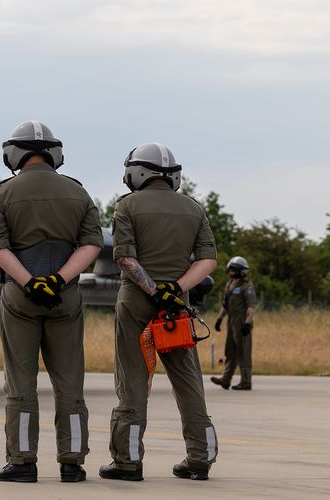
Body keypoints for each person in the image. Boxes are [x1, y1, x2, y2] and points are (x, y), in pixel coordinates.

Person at [0, 121, 103, 483]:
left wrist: (30, 282)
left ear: (14, 154)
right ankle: (72, 462)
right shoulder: (78, 194)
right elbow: (92, 245)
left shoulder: (2, 195)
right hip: (65, 298)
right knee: (69, 383)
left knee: (21, 383)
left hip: (20, 297)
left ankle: (22, 462)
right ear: (54, 153)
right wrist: (58, 280)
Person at [100, 143, 219, 482]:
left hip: (137, 302)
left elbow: (124, 258)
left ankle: (127, 461)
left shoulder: (127, 206)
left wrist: (153, 290)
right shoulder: (193, 208)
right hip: (177, 307)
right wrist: (175, 290)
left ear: (137, 173)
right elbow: (208, 260)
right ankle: (200, 458)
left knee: (132, 379)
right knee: (188, 381)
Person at [211, 256, 256, 390]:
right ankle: (226, 379)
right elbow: (225, 305)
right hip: (231, 322)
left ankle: (246, 382)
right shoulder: (229, 285)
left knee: (243, 352)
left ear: (240, 271)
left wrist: (247, 324)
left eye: (233, 270)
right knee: (230, 351)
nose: (230, 272)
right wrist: (219, 319)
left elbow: (251, 307)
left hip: (242, 322)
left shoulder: (247, 287)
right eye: (230, 269)